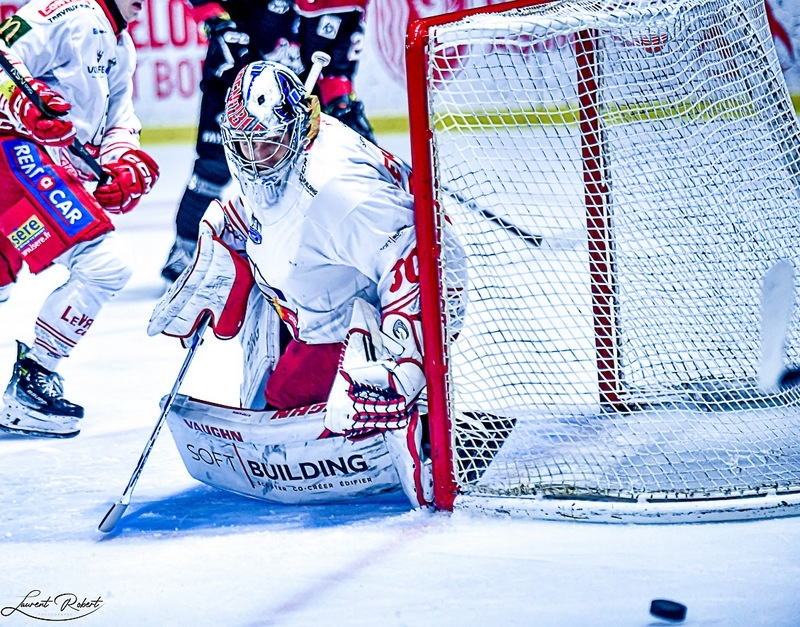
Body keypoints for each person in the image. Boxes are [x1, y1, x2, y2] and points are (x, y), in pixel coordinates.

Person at [148, 61, 466, 508]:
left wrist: (406, 367)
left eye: (269, 145)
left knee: (290, 414)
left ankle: (422, 421)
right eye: (245, 146)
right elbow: (264, 203)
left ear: (298, 129)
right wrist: (221, 231)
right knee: (275, 404)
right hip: (312, 297)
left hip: (362, 318)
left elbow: (423, 251)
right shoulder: (281, 152)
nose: (256, 160)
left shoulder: (338, 192)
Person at [0, 0, 160, 438]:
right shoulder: (66, 11)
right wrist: (20, 105)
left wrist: (124, 163)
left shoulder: (120, 43)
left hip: (37, 165)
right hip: (13, 153)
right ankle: (31, 385)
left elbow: (119, 122)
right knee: (104, 264)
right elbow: (4, 64)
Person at [159, 0, 375, 284]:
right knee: (212, 167)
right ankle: (185, 250)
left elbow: (337, 66)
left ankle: (309, 253)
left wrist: (341, 103)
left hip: (294, 96)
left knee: (311, 173)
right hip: (233, 81)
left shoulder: (348, 4)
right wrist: (217, 21)